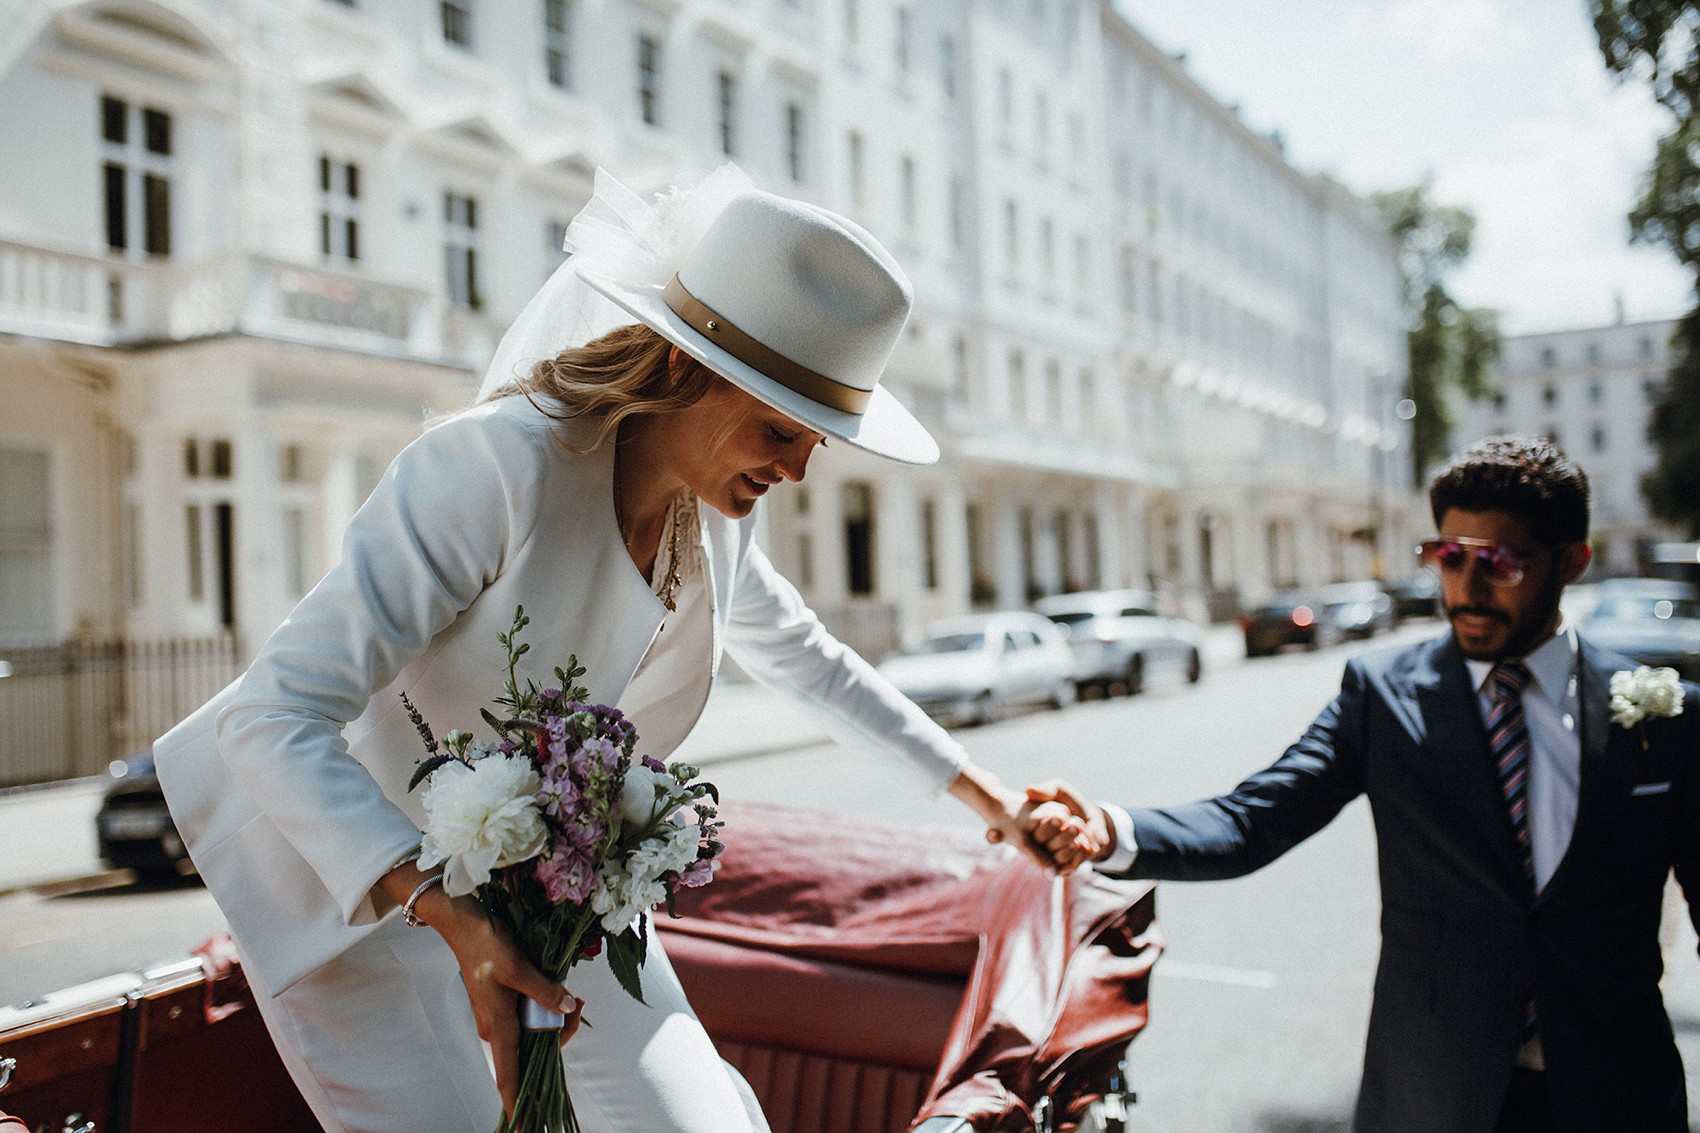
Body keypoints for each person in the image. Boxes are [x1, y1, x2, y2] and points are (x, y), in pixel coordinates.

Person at [154, 168, 1092, 1133]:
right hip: (353, 888)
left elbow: (809, 661)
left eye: (820, 439)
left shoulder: (717, 518)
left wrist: (995, 798)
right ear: (685, 368)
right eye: (779, 427)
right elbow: (273, 714)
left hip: (566, 891)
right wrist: (452, 916)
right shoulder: (491, 468)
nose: (800, 468)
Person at [1030, 435, 1699, 1133]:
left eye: (1500, 562)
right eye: (1449, 557)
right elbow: (1253, 819)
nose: (1467, 589)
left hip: (1618, 1094)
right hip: (1433, 1096)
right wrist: (1108, 829)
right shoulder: (1383, 695)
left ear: (1573, 562)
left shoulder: (1665, 713)